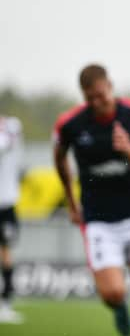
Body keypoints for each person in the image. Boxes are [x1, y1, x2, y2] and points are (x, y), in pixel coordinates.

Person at [53, 64, 130, 336]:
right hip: (99, 221)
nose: (96, 102)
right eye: (89, 97)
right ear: (83, 95)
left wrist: (128, 148)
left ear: (110, 86)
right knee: (113, 292)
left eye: (100, 95)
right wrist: (72, 203)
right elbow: (59, 159)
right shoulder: (70, 124)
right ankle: (119, 308)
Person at [0, 115, 24, 324]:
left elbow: (9, 139)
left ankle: (5, 303)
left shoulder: (12, 126)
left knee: (6, 253)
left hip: (6, 203)